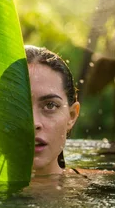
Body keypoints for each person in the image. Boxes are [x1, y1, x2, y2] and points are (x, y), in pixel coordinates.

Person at [25, 45, 83, 176]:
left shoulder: (101, 188)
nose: (33, 123)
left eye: (50, 105)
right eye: (19, 106)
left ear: (72, 115)